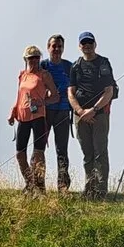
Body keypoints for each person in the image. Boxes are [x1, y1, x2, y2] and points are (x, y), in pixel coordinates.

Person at [69, 31, 119, 197]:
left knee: (100, 152)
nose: (87, 46)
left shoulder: (103, 63)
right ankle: (89, 188)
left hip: (99, 114)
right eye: (84, 43)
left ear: (95, 44)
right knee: (87, 153)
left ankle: (100, 190)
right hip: (81, 116)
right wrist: (81, 111)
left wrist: (94, 110)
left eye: (90, 42)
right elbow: (71, 92)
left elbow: (109, 91)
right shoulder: (75, 66)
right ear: (79, 46)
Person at [9, 45, 56, 191]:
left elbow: (55, 96)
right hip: (23, 117)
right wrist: (13, 110)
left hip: (38, 117)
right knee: (19, 153)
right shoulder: (22, 75)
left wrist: (41, 102)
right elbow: (20, 94)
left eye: (37, 57)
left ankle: (40, 186)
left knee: (38, 153)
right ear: (26, 59)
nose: (34, 60)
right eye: (31, 58)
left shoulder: (44, 75)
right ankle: (30, 183)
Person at [41, 34, 77, 192]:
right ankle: (37, 183)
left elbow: (77, 88)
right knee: (39, 147)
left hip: (63, 112)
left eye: (59, 46)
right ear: (48, 47)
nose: (56, 49)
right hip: (45, 112)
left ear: (63, 48)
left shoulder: (70, 67)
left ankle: (63, 187)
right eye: (54, 46)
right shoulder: (42, 66)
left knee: (61, 149)